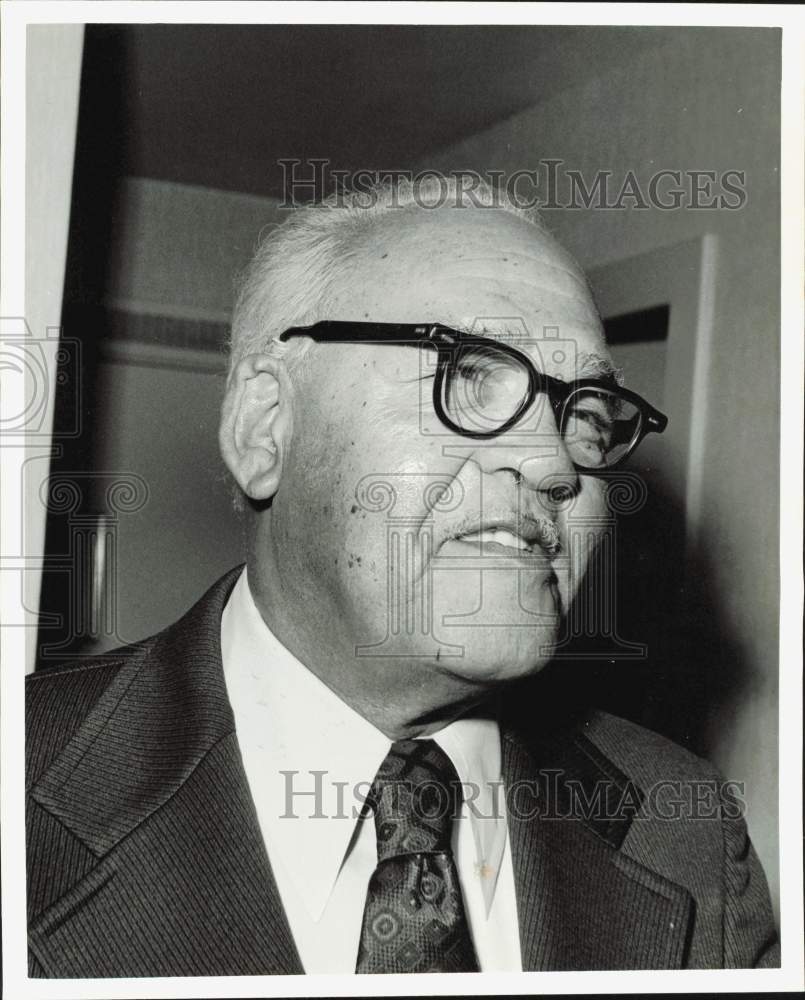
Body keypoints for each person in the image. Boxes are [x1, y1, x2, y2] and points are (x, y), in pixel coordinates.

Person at [26, 179, 778, 977]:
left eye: (585, 413)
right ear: (263, 427)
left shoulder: (683, 828)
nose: (553, 464)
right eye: (465, 375)